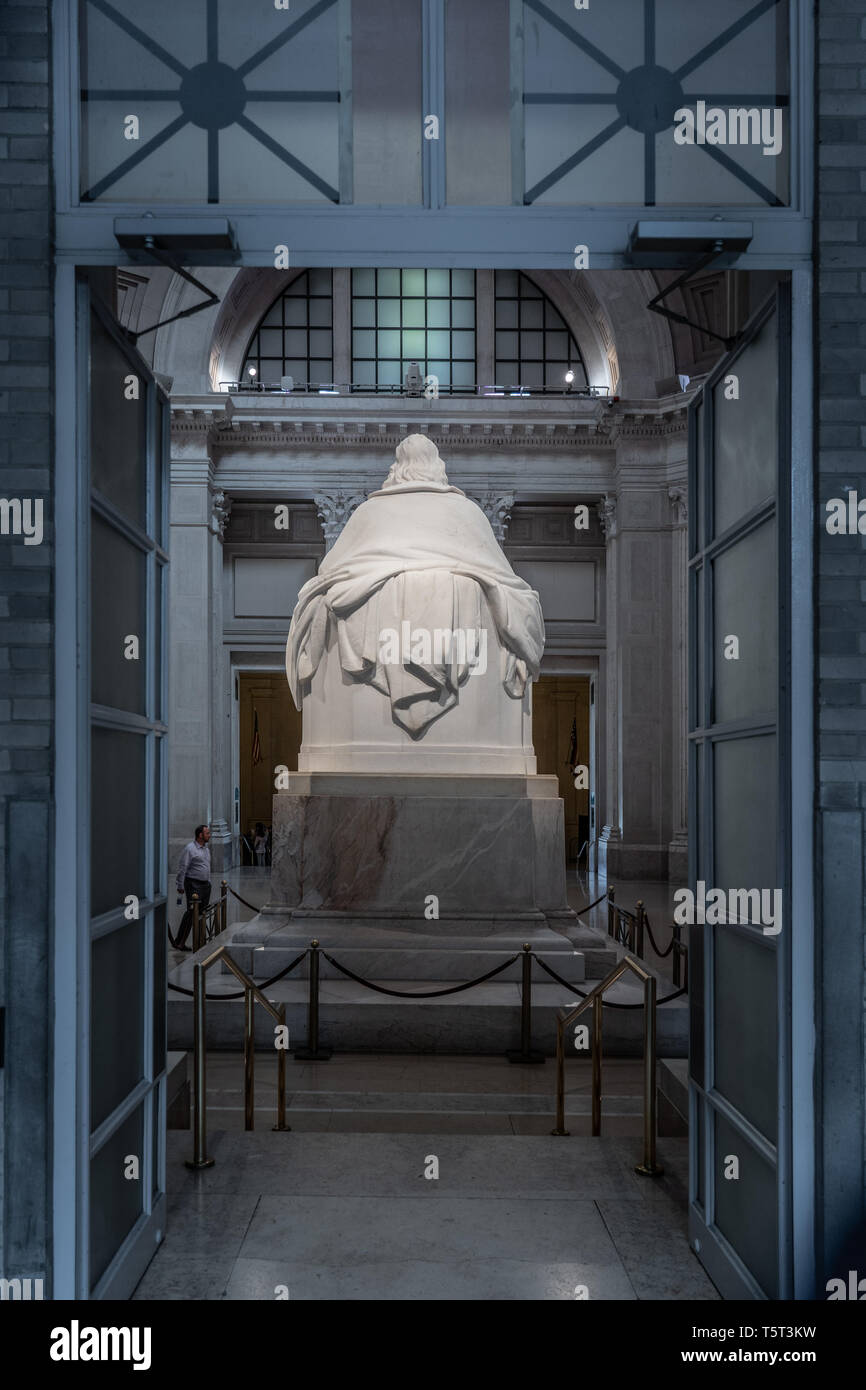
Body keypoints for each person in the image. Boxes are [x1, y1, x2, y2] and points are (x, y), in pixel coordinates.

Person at [173, 824, 212, 950]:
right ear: (200, 835)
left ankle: (200, 941)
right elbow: (182, 868)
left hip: (205, 885)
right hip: (193, 884)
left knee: (202, 913)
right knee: (191, 913)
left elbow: (206, 867)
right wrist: (180, 884)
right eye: (207, 833)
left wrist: (208, 882)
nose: (209, 835)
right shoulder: (190, 849)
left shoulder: (206, 849)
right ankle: (180, 942)